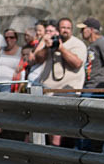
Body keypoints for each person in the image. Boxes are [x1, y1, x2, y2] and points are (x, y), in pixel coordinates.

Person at [35, 18, 87, 146]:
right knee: (46, 126)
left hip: (67, 92)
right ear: (58, 29)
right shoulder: (51, 41)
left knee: (58, 127)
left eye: (68, 28)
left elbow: (77, 63)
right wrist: (46, 47)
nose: (65, 30)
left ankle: (55, 151)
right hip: (48, 91)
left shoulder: (78, 44)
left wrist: (61, 49)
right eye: (63, 28)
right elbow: (38, 59)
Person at [75, 17, 104, 154]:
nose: (81, 32)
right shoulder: (92, 45)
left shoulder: (102, 43)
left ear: (91, 30)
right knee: (84, 118)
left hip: (96, 87)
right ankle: (84, 148)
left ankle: (85, 149)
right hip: (89, 86)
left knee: (85, 118)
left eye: (83, 29)